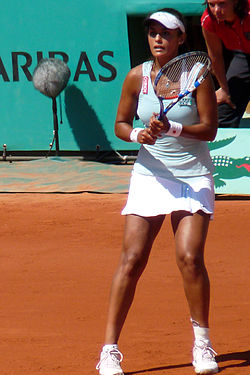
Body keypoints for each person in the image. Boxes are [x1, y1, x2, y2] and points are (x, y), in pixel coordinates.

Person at [96, 8, 219, 375]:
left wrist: (174, 130)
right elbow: (120, 123)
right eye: (152, 33)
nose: (158, 39)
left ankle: (203, 346)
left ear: (182, 39)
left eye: (166, 33)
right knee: (132, 259)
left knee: (190, 258)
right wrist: (139, 134)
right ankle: (109, 350)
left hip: (192, 176)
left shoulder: (199, 76)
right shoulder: (137, 77)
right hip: (150, 175)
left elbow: (210, 130)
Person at [201, 0, 250, 127]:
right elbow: (215, 56)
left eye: (222, 3)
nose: (216, 10)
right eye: (211, 5)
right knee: (225, 108)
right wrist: (224, 89)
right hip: (243, 56)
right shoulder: (208, 20)